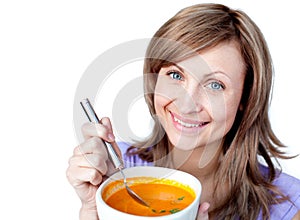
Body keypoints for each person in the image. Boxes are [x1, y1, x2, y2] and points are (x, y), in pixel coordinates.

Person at [66, 3, 300, 219]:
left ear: (246, 98)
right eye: (175, 75)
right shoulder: (115, 169)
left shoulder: (289, 206)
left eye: (215, 85)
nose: (187, 105)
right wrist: (94, 209)